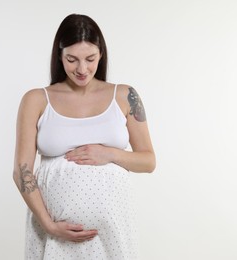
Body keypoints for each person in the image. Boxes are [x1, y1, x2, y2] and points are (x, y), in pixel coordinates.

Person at [13, 13, 156, 260]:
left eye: (90, 59)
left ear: (101, 53)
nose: (82, 69)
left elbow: (148, 161)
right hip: (54, 230)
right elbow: (21, 170)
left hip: (114, 229)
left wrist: (108, 153)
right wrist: (49, 224)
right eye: (72, 59)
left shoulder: (125, 95)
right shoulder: (35, 100)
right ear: (59, 56)